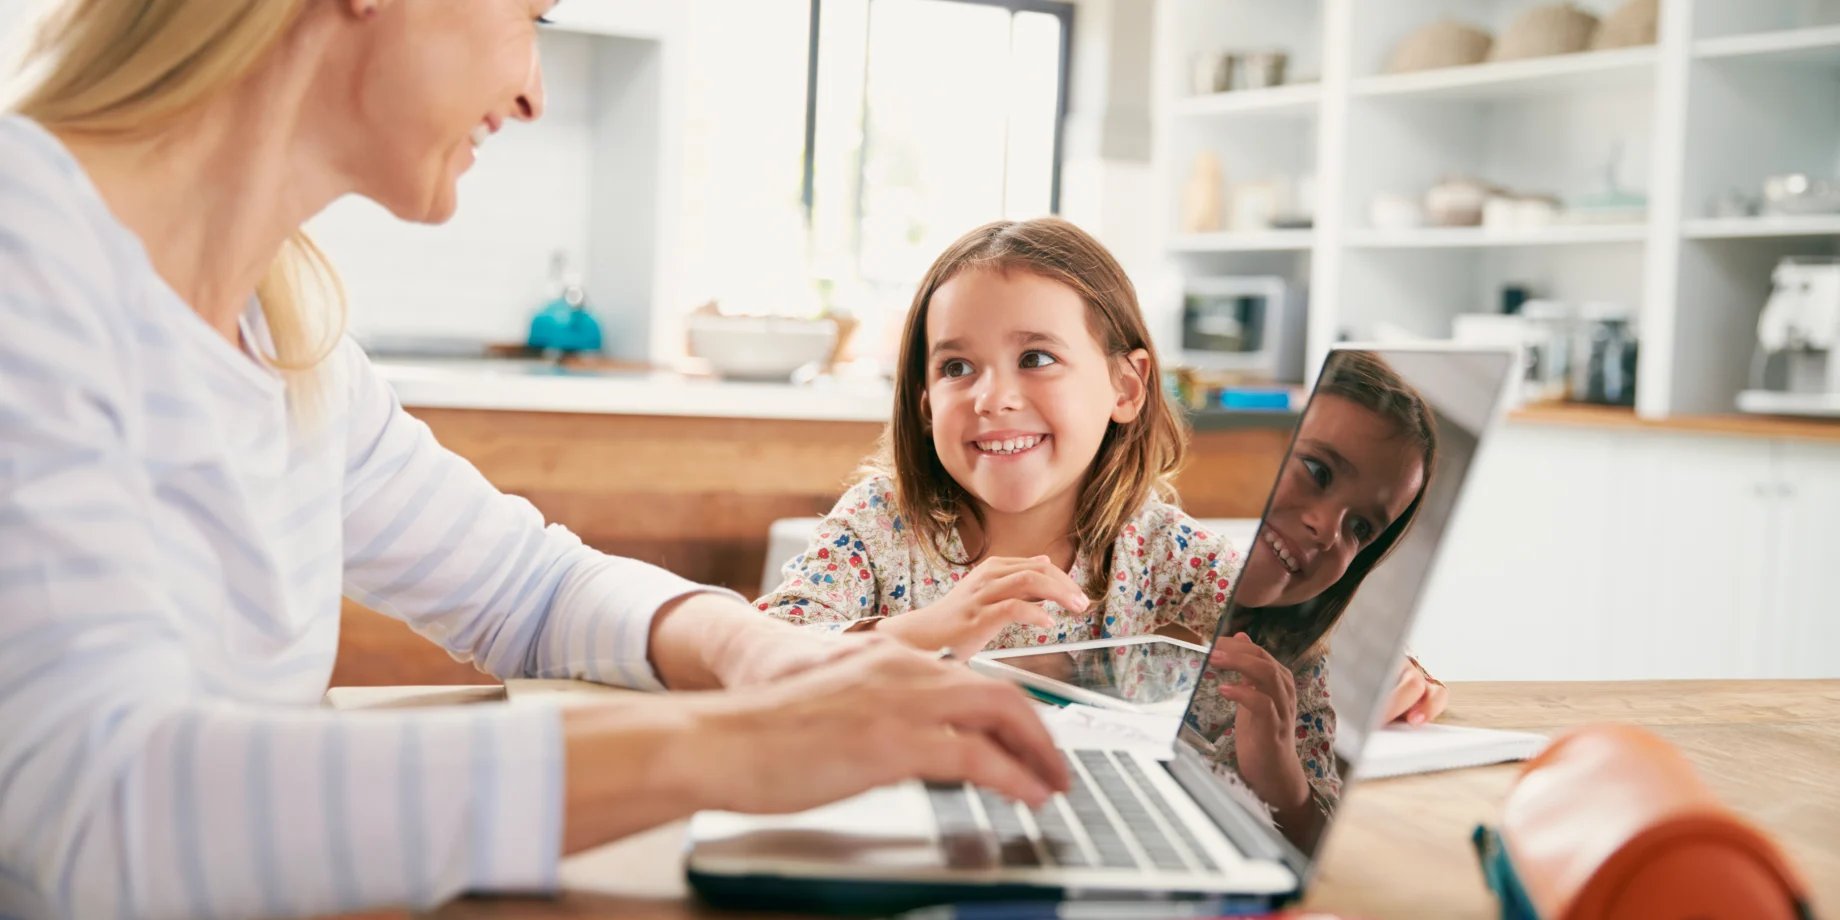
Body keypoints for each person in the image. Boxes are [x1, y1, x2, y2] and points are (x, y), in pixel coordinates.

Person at [0, 2, 1066, 918]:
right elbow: (100, 803)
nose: (530, 92)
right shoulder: (24, 249)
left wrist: (766, 656)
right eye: (531, 16)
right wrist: (734, 744)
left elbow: (528, 584)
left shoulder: (282, 333)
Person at [755, 218, 1238, 672]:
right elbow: (761, 650)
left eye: (1035, 357)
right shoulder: (879, 523)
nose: (992, 399)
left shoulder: (1161, 548)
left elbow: (1289, 652)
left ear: (1127, 387)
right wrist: (924, 632)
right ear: (926, 404)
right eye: (957, 368)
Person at [1186, 350, 1440, 850]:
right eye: (1318, 472)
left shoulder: (1295, 671)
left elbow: (1313, 834)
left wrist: (1285, 788)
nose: (1327, 529)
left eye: (1360, 527)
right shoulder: (1154, 557)